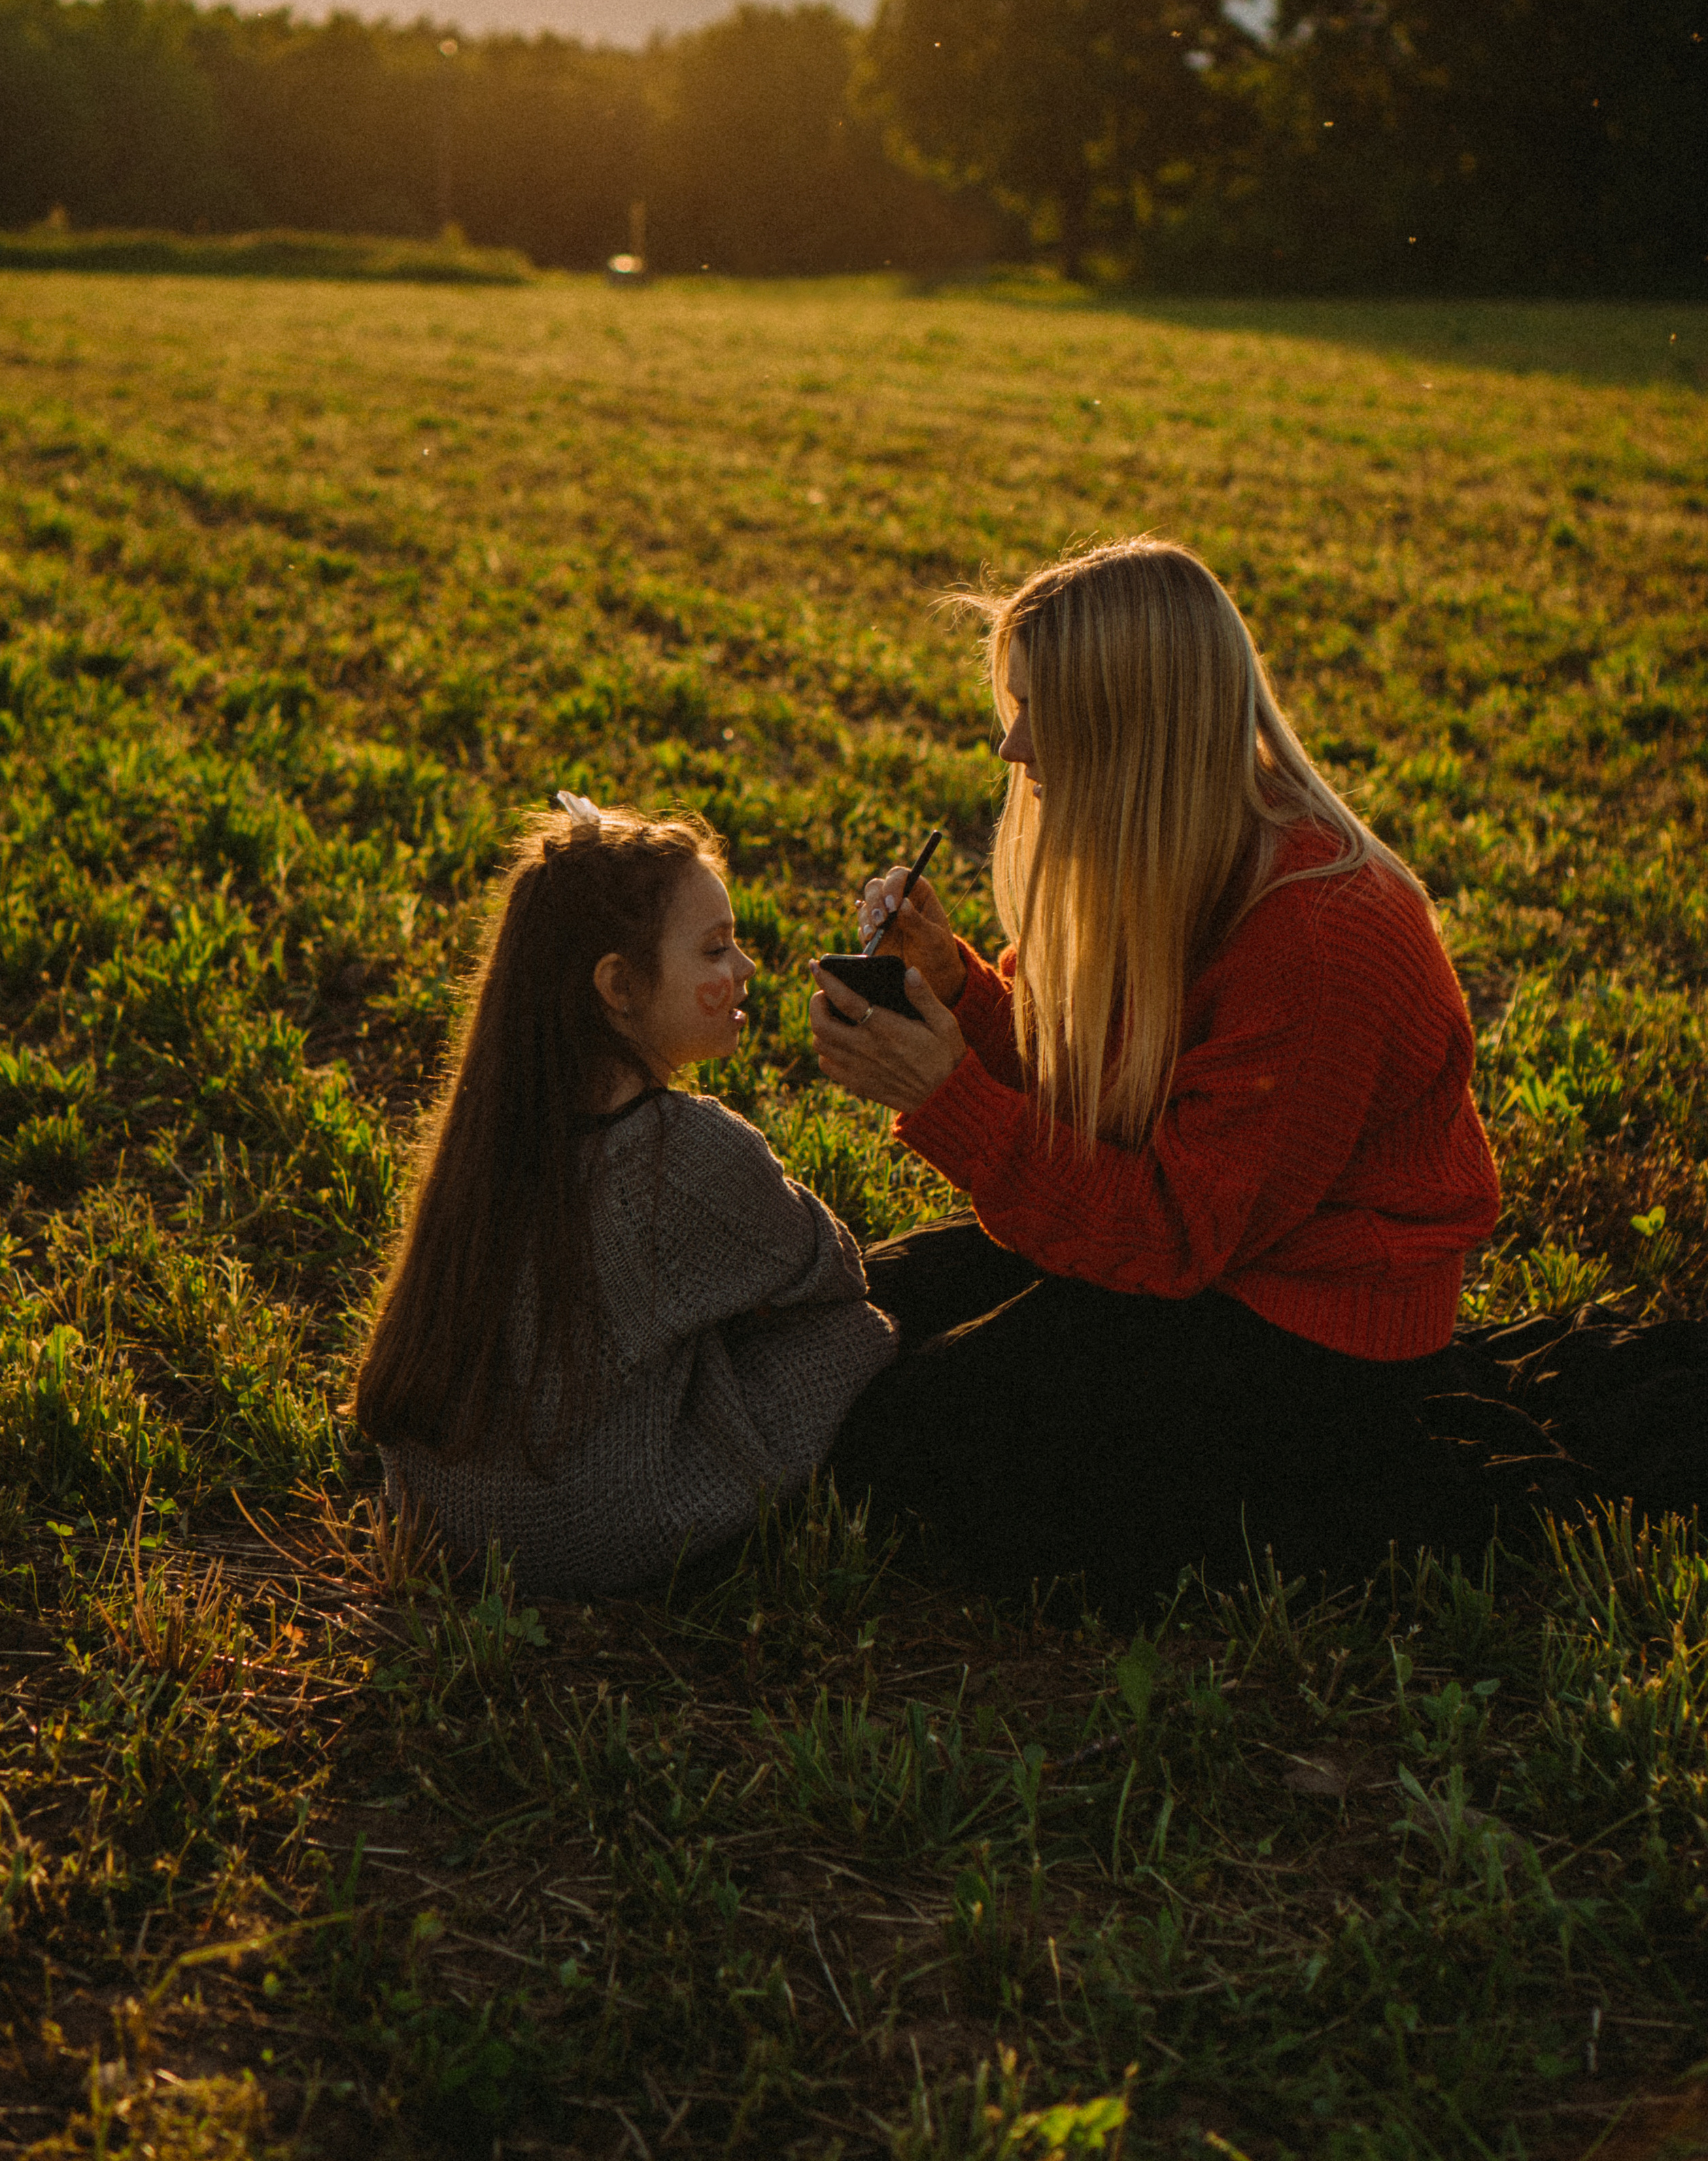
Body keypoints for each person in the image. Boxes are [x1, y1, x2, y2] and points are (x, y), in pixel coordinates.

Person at [813, 537, 1586, 1615]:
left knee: (917, 1451)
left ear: (1135, 724)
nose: (1012, 745)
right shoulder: (1163, 851)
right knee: (865, 1306)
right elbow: (1110, 1108)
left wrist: (950, 1102)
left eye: (1040, 711)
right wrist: (960, 988)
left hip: (1308, 1319)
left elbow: (1172, 1234)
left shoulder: (1323, 935)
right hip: (1210, 1251)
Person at [354, 800, 896, 1597]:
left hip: (445, 1520)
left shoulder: (491, 1133)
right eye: (715, 949)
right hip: (585, 1536)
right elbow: (834, 1277)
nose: (744, 967)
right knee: (864, 1332)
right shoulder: (688, 1155)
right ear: (619, 985)